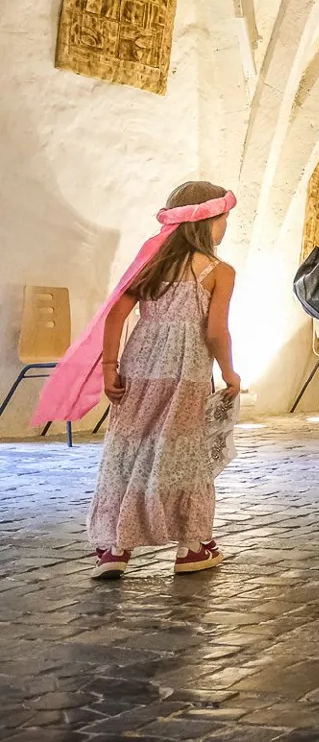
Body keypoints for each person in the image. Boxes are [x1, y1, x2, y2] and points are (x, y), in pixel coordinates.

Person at [32, 181, 242, 578]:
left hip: (140, 367)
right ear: (206, 222)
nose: (226, 226)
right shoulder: (219, 272)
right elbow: (216, 333)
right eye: (224, 218)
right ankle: (192, 547)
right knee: (181, 450)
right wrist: (230, 373)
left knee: (128, 445)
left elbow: (115, 315)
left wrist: (110, 369)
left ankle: (115, 547)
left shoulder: (150, 265)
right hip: (185, 374)